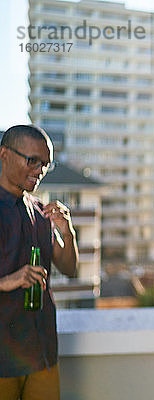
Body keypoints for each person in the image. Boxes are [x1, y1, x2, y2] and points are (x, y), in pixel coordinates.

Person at [0, 125, 79, 400]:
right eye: (32, 160)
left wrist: (67, 232)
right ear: (4, 155)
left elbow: (69, 269)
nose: (40, 170)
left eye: (46, 164)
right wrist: (10, 280)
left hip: (42, 351)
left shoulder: (40, 210)